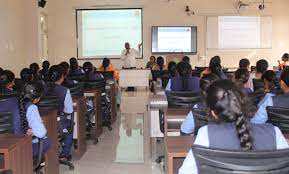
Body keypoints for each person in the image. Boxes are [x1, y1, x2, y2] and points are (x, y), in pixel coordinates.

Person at [179, 80, 289, 174]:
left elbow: (185, 172)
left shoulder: (206, 133)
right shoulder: (275, 132)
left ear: (213, 113)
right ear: (243, 104)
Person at [47, 65, 74, 158]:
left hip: (42, 122)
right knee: (70, 125)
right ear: (62, 77)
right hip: (58, 123)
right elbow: (69, 110)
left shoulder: (41, 88)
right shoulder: (64, 90)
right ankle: (65, 153)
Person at [19, 82, 50, 158]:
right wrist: (31, 131)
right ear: (36, 99)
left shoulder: (12, 101)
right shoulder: (32, 108)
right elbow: (41, 133)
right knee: (47, 142)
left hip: (7, 143)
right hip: (21, 146)